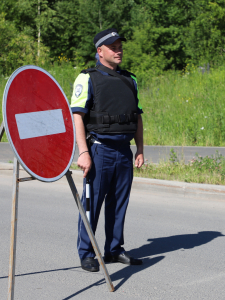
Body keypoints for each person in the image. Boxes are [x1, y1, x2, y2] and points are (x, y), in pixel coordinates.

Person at [70, 28, 144, 272]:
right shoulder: (87, 78)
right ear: (99, 51)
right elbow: (77, 117)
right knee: (92, 204)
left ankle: (114, 249)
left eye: (120, 45)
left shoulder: (130, 80)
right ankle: (87, 253)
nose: (119, 49)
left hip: (124, 151)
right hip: (99, 151)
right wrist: (83, 152)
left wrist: (140, 148)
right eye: (113, 46)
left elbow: (137, 117)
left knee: (119, 204)